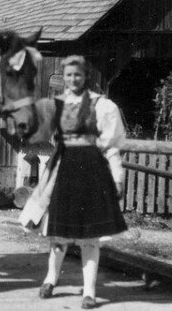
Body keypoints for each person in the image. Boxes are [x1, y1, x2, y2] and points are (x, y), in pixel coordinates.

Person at [19, 55, 127, 309]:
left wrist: (117, 177)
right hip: (63, 170)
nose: (73, 79)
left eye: (77, 75)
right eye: (68, 75)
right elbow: (37, 130)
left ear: (85, 76)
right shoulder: (56, 105)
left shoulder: (102, 106)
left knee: (90, 236)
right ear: (63, 77)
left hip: (91, 171)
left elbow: (111, 146)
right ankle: (50, 280)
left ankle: (89, 292)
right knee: (59, 233)